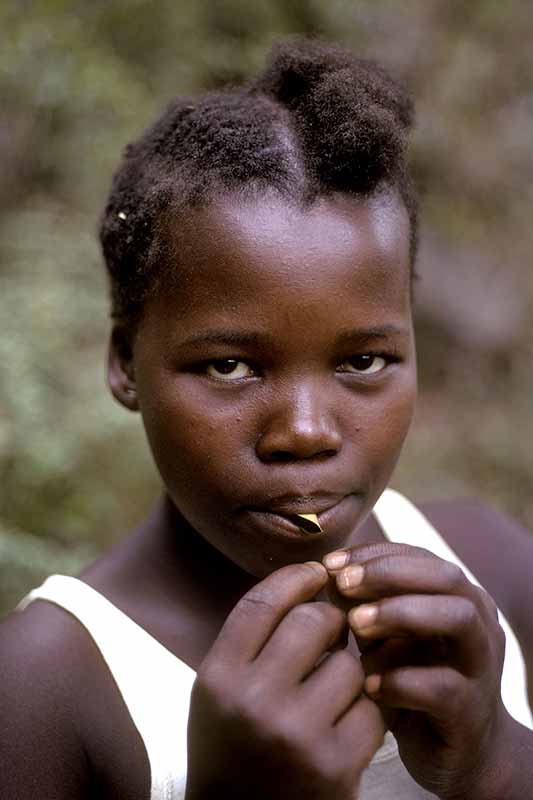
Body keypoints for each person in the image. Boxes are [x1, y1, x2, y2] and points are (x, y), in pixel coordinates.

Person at [1, 35, 532, 800]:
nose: (306, 432)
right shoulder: (44, 688)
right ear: (124, 364)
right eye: (229, 366)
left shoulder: (488, 571)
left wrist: (495, 762)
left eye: (361, 362)